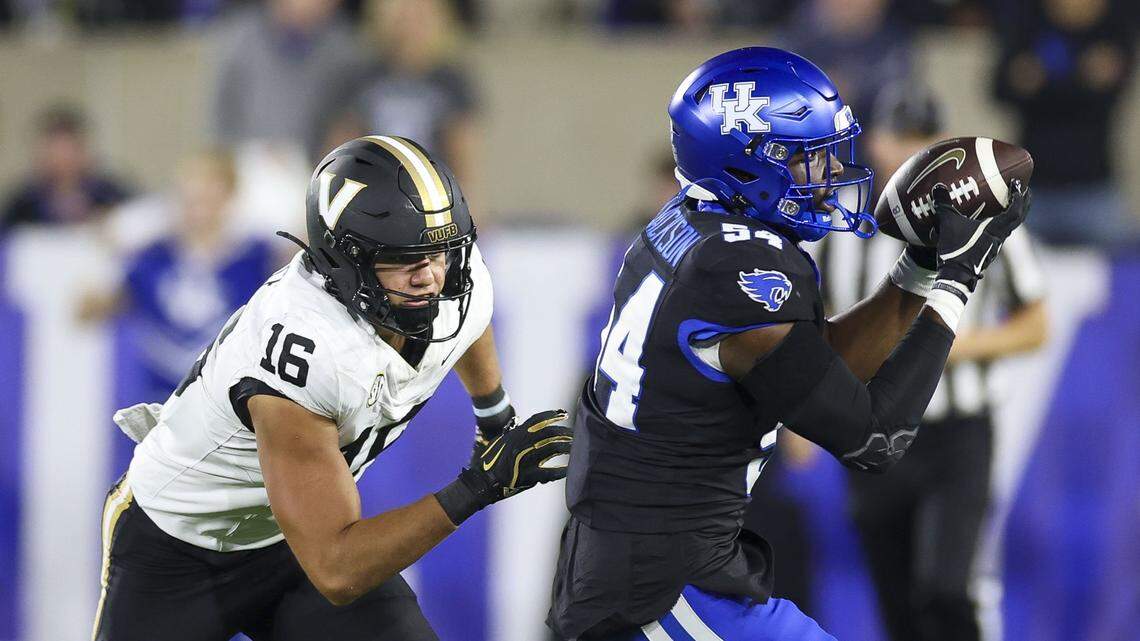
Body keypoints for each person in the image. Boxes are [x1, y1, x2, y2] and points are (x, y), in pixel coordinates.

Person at [547, 47, 1031, 640]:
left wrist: (921, 268)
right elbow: (874, 438)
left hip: (646, 562)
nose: (830, 174)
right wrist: (959, 279)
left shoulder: (694, 226)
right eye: (808, 158)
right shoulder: (738, 271)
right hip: (661, 585)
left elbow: (819, 367)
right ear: (749, 164)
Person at [91, 135, 573, 641]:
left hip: (291, 539)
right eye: (406, 260)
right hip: (177, 549)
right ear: (347, 259)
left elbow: (470, 318)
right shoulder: (304, 347)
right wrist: (480, 485)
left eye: (440, 254)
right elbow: (337, 569)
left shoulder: (453, 271)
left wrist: (493, 412)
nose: (430, 278)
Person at [811, 83, 1047, 641]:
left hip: (958, 435)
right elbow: (818, 321)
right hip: (871, 432)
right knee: (896, 606)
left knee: (946, 589)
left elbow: (1037, 325)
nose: (903, 152)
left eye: (920, 139)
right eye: (898, 137)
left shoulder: (985, 219)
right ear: (874, 143)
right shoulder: (842, 225)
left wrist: (946, 344)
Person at [78, 149, 276, 404]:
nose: (197, 209)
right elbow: (86, 312)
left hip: (228, 406)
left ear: (230, 198)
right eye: (188, 197)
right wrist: (109, 253)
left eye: (207, 197)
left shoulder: (257, 257)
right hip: (160, 405)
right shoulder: (153, 258)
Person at [0, 104, 131, 234]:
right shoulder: (22, 203)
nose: (63, 160)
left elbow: (140, 224)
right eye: (55, 151)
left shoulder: (110, 193)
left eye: (70, 151)